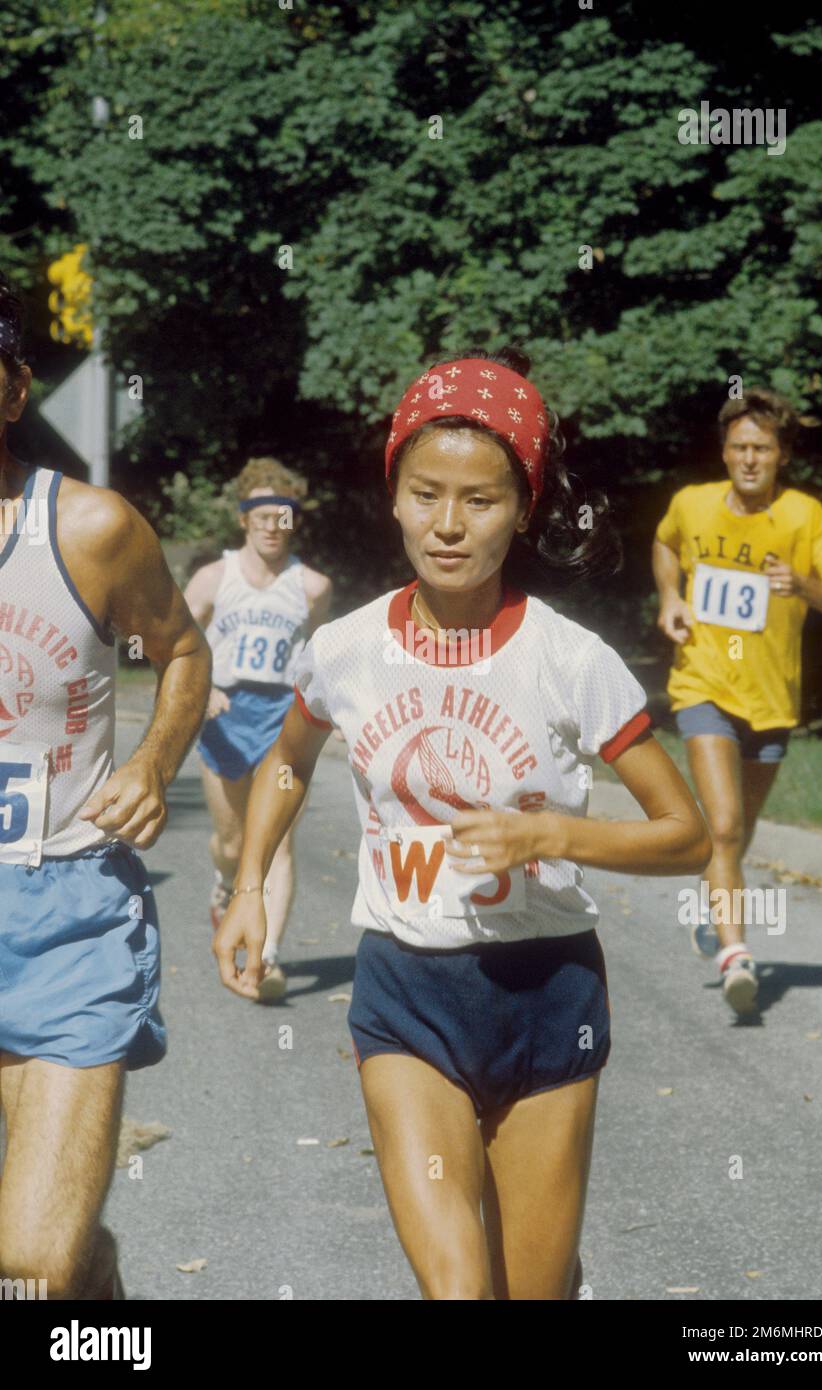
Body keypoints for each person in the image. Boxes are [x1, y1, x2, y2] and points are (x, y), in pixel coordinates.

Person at [213, 345, 711, 1300]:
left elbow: (685, 834)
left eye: (479, 501)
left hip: (546, 995)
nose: (447, 525)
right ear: (393, 495)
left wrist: (551, 836)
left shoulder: (572, 661)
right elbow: (287, 760)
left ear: (521, 509)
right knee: (457, 1291)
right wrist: (246, 888)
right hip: (406, 995)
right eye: (424, 493)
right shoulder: (344, 649)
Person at [0, 272, 211, 1298]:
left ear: (12, 392)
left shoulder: (89, 530)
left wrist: (152, 763)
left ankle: (76, 1267)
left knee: (29, 1269)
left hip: (65, 909)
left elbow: (181, 652)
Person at [653, 387, 822, 1015]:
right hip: (703, 685)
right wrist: (671, 599)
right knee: (723, 825)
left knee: (733, 839)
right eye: (739, 447)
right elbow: (664, 545)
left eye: (762, 449)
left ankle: (711, 901)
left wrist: (800, 583)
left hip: (772, 701)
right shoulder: (690, 505)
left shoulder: (804, 517)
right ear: (724, 451)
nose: (749, 459)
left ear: (781, 455)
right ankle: (736, 954)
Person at [184, 458, 332, 1001]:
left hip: (282, 718)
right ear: (244, 519)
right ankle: (226, 885)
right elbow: (176, 641)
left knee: (275, 844)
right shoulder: (213, 578)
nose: (273, 525)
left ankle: (264, 959)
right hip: (224, 716)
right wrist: (203, 687)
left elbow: (319, 656)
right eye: (262, 515)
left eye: (284, 516)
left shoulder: (312, 587)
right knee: (231, 842)